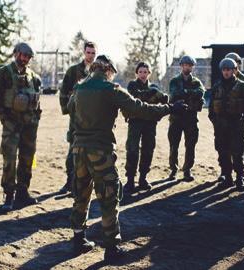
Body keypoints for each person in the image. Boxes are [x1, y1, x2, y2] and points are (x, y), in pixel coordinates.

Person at [68, 55, 186, 262]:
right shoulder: (110, 89)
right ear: (108, 71)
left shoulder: (78, 88)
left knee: (81, 193)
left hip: (78, 150)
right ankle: (111, 248)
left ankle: (78, 238)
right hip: (100, 151)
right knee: (109, 196)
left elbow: (69, 108)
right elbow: (141, 109)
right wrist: (170, 108)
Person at [0, 42, 42, 211]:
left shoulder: (34, 77)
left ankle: (22, 191)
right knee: (10, 159)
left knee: (28, 158)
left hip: (29, 125)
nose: (25, 59)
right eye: (23, 55)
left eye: (28, 57)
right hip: (11, 124)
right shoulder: (4, 73)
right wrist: (5, 118)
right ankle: (9, 194)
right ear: (16, 54)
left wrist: (35, 119)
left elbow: (37, 102)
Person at [123, 62, 168, 193]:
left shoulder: (154, 87)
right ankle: (130, 180)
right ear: (136, 73)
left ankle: (143, 178)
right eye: (140, 72)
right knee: (132, 150)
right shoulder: (132, 85)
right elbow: (137, 97)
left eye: (145, 72)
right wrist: (153, 93)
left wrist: (161, 96)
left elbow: (164, 100)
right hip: (135, 122)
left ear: (149, 73)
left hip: (150, 123)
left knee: (148, 150)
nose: (143, 74)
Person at [58, 41, 97, 194]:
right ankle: (69, 182)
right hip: (76, 119)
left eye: (93, 53)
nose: (91, 56)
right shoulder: (73, 71)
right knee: (73, 150)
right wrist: (68, 110)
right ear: (84, 52)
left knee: (91, 151)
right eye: (88, 52)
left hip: (93, 120)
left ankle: (85, 185)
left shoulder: (98, 72)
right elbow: (63, 92)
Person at [208, 58, 244, 191]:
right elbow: (211, 109)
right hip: (221, 126)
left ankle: (240, 178)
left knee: (238, 152)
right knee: (223, 152)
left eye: (229, 70)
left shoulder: (243, 86)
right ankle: (227, 177)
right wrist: (215, 122)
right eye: (224, 70)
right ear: (222, 71)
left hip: (236, 124)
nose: (226, 72)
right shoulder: (216, 86)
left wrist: (243, 121)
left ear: (234, 70)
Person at [168, 55, 205, 181]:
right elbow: (174, 94)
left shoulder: (196, 82)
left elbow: (201, 93)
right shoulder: (174, 81)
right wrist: (190, 94)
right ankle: (173, 169)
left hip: (190, 118)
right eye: (185, 65)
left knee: (190, 145)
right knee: (174, 145)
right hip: (176, 118)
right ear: (181, 66)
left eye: (189, 65)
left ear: (192, 67)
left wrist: (185, 92)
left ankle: (187, 170)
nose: (187, 67)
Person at [225, 52, 244, 168]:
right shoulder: (224, 78)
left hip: (241, 119)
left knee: (242, 141)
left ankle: (243, 164)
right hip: (226, 119)